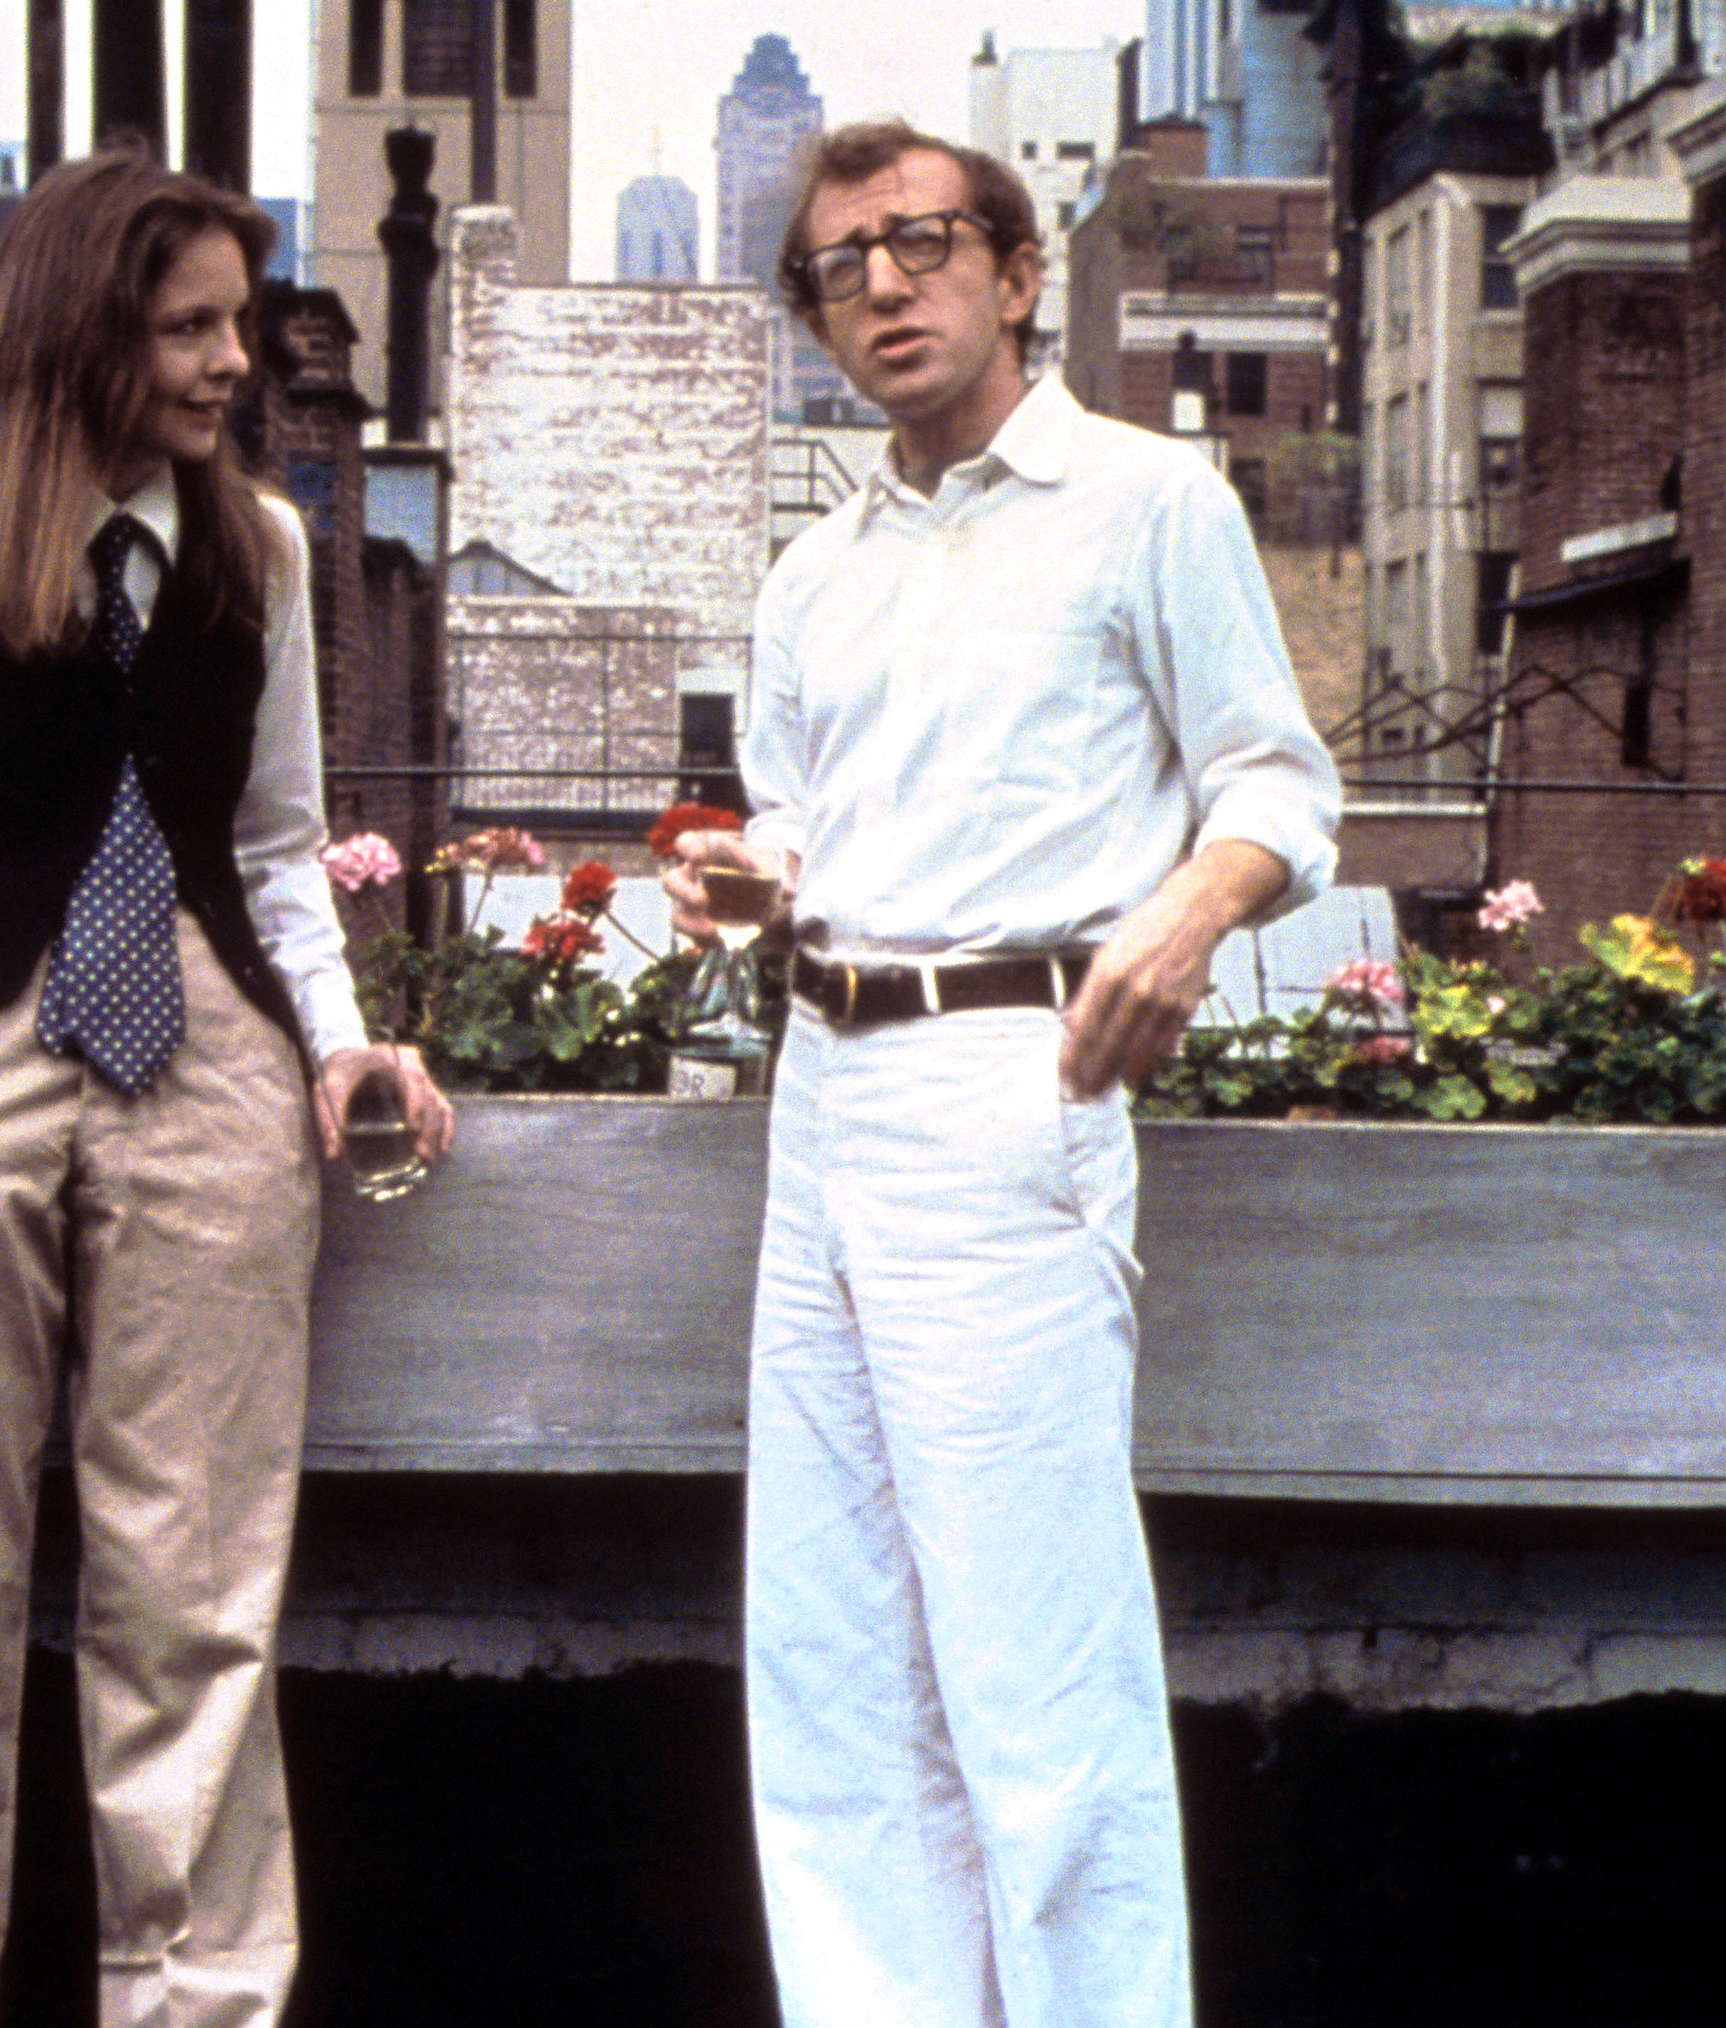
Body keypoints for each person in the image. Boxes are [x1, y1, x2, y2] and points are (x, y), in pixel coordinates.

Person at [0, 144, 452, 2028]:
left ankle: (198, 2001)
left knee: (197, 1594)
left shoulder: (265, 551)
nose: (237, 360)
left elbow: (288, 844)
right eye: (191, 325)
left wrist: (336, 1042)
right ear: (82, 331)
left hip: (212, 1072)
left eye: (239, 318)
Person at [664, 123, 1341, 2028]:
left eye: (921, 244)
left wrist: (1187, 916)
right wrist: (745, 871)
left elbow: (1278, 785)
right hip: (826, 1098)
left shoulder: (1147, 505)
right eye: (836, 267)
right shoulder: (817, 570)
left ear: (1018, 273)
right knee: (837, 1674)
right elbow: (801, 823)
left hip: (1012, 1097)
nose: (880, 286)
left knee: (1039, 1689)